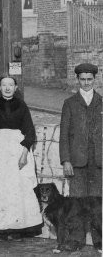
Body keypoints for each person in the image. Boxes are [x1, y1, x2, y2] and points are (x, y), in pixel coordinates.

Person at [0, 75, 42, 238]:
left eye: (10, 85)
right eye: (4, 85)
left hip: (17, 149)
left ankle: (18, 227)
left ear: (16, 87)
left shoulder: (21, 105)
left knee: (17, 187)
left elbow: (29, 131)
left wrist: (25, 153)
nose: (7, 88)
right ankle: (0, 226)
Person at [60, 63, 101, 197]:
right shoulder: (70, 103)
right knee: (77, 204)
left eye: (89, 79)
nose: (86, 83)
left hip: (98, 162)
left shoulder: (101, 102)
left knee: (97, 205)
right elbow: (64, 134)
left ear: (95, 79)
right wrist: (66, 160)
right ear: (78, 80)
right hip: (77, 162)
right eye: (83, 79)